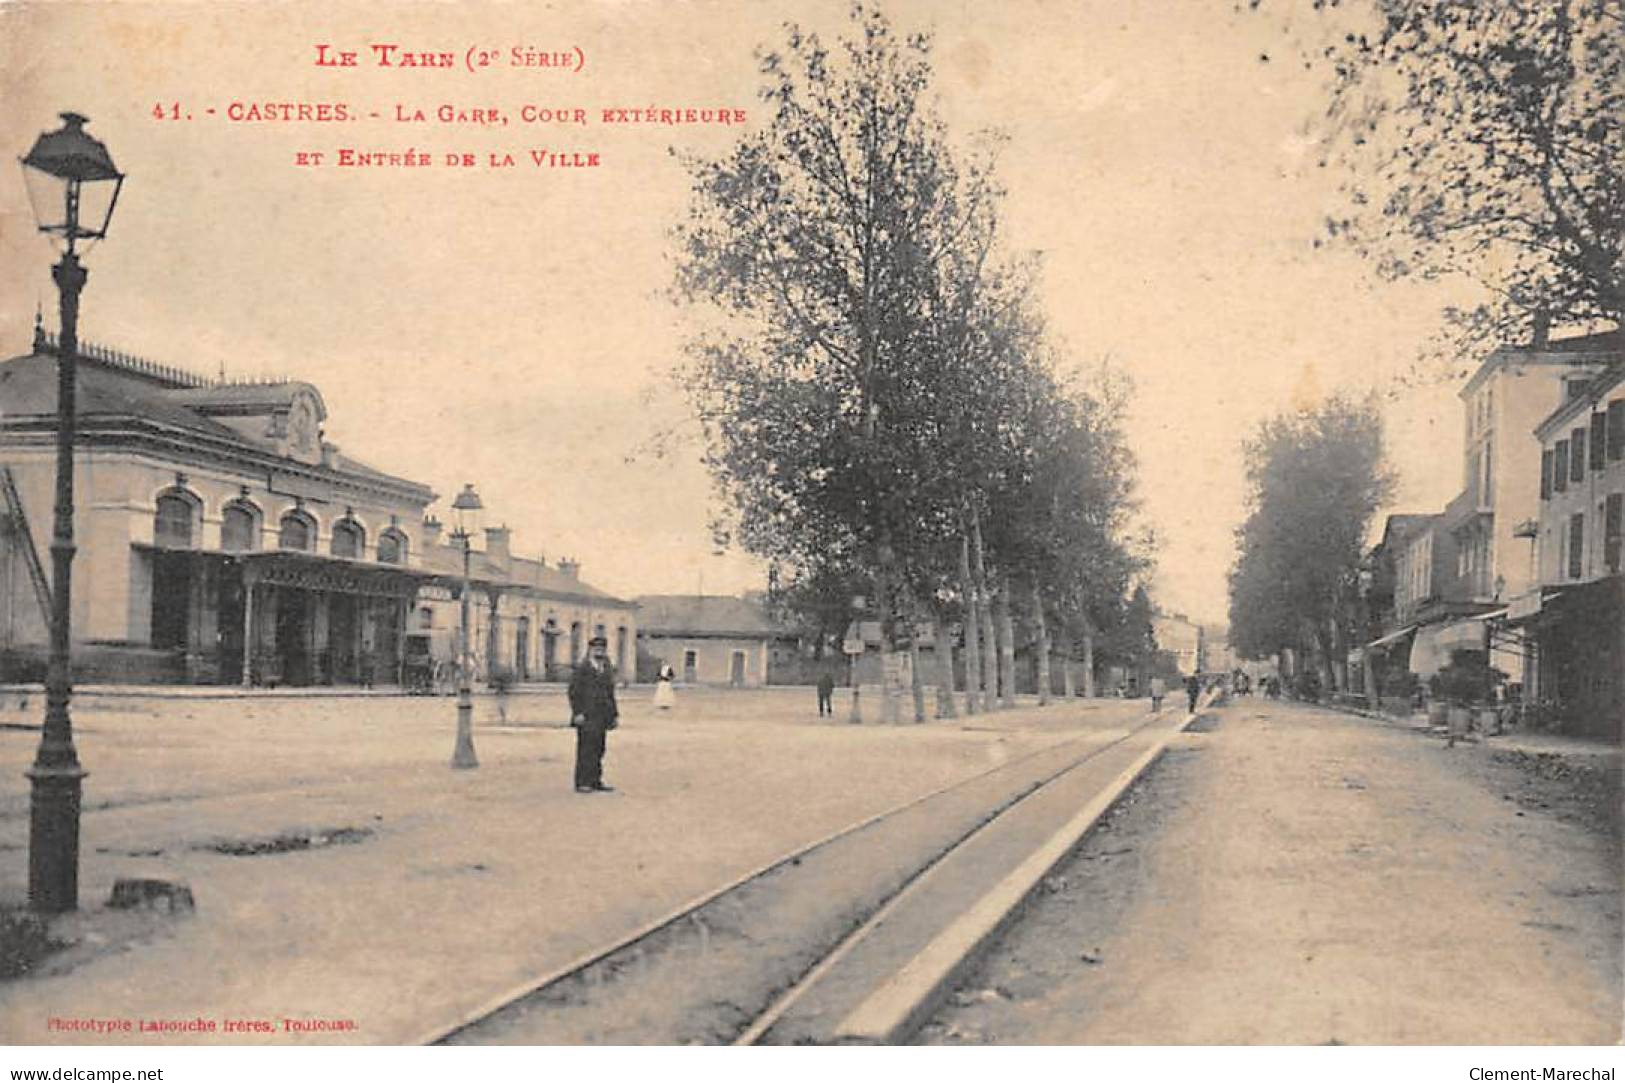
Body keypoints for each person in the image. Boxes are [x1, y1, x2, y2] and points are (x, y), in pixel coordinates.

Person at [568, 635, 619, 793]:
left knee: (599, 748)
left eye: (602, 648)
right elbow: (573, 692)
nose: (599, 651)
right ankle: (582, 782)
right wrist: (577, 713)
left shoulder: (606, 668)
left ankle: (595, 780)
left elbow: (610, 692)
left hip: (602, 715)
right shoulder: (583, 668)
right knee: (586, 748)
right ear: (590, 650)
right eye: (596, 648)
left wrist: (614, 715)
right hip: (586, 714)